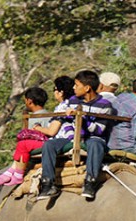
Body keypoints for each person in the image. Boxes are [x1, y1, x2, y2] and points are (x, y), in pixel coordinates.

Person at [36, 70, 114, 201]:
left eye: (76, 85)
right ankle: (47, 182)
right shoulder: (72, 101)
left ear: (87, 88)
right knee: (49, 144)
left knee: (96, 144)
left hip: (92, 138)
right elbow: (65, 120)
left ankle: (90, 181)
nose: (73, 88)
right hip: (73, 138)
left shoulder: (105, 105)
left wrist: (82, 119)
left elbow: (99, 130)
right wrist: (65, 116)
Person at [0, 78, 74, 187]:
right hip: (57, 139)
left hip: (58, 140)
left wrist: (37, 128)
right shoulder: (61, 108)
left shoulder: (63, 107)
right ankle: (11, 172)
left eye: (55, 89)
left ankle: (16, 174)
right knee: (23, 144)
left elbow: (51, 132)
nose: (54, 92)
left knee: (23, 144)